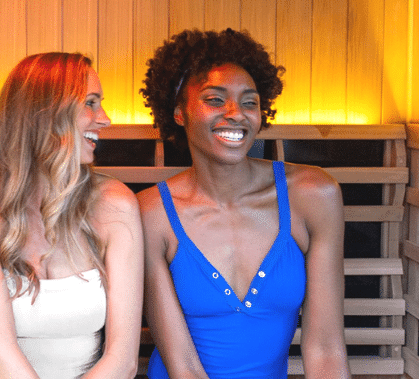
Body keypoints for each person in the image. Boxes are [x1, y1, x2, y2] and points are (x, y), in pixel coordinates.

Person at [139, 29, 351, 378]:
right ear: (179, 113)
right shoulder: (152, 213)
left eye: (250, 102)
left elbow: (325, 349)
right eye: (215, 99)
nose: (236, 113)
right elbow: (183, 367)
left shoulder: (313, 196)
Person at [0, 52, 144, 379]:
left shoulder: (116, 204)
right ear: (47, 112)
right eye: (91, 103)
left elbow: (122, 360)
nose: (105, 118)